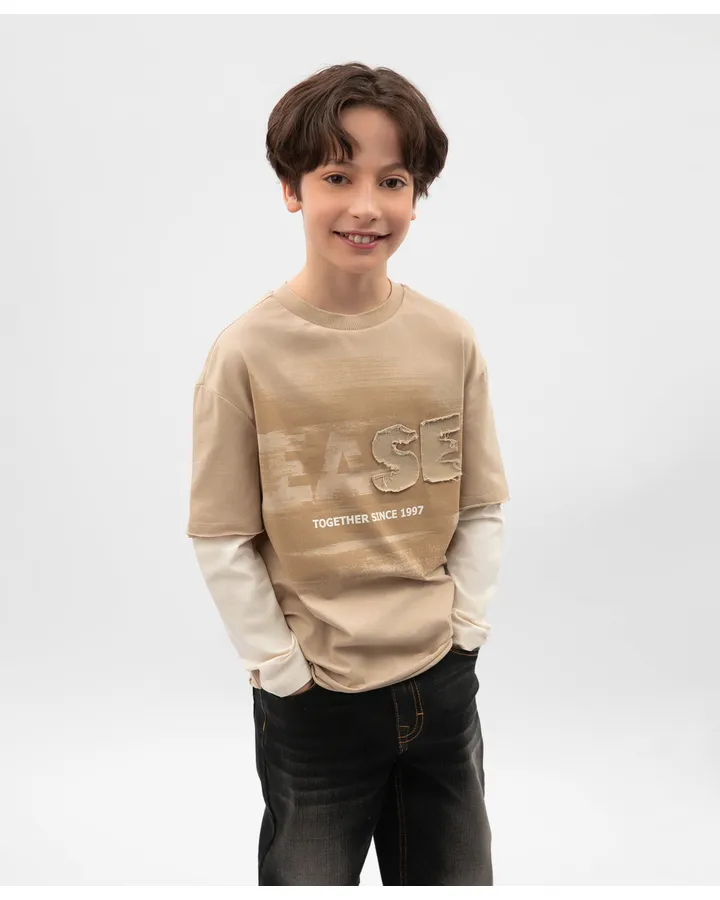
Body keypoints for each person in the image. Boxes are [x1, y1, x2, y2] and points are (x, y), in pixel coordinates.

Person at [186, 61, 510, 886]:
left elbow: (480, 506)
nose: (367, 206)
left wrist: (463, 633)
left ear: (415, 196)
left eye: (392, 181)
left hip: (440, 688)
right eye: (338, 176)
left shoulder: (449, 340)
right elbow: (223, 536)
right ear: (291, 189)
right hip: (315, 706)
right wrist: (283, 672)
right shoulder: (247, 353)